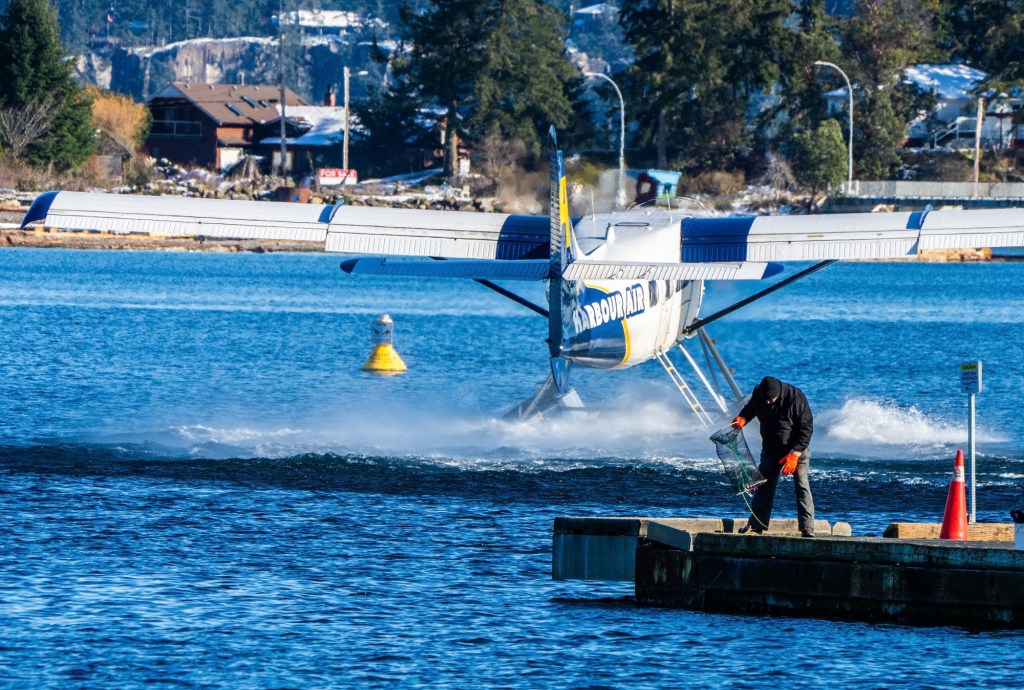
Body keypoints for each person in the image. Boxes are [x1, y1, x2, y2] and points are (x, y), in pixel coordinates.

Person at [732, 376, 815, 537]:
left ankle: (807, 527)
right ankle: (757, 524)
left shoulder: (796, 397)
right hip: (770, 449)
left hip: (796, 449)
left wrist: (795, 453)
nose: (768, 402)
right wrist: (743, 418)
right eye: (766, 400)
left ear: (779, 393)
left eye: (772, 400)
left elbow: (806, 428)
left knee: (802, 485)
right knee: (763, 484)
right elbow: (751, 407)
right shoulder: (759, 393)